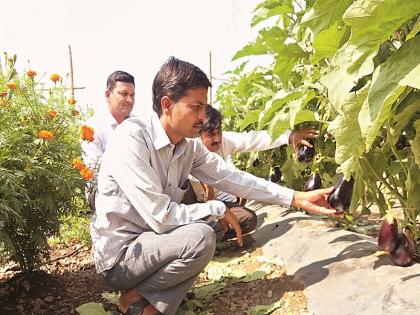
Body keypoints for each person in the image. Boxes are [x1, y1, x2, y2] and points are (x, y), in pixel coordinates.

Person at [90, 57, 337, 315]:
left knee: (213, 228)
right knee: (202, 236)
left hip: (155, 244)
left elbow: (231, 177)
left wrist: (295, 197)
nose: (202, 117)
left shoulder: (188, 146)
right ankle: (140, 298)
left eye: (204, 107)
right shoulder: (132, 138)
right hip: (122, 257)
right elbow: (161, 217)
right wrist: (217, 207)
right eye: (195, 107)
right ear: (167, 105)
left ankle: (142, 297)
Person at [183, 105, 317, 239]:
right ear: (197, 135)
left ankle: (204, 234)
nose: (217, 138)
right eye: (211, 134)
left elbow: (253, 139)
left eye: (219, 132)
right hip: (187, 207)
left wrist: (289, 136)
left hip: (212, 205)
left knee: (248, 219)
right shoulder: (188, 149)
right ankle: (195, 234)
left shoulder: (224, 142)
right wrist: (201, 179)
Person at [81, 70, 135, 210]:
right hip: (103, 192)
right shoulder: (92, 127)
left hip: (135, 190)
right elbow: (94, 168)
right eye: (124, 94)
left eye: (132, 95)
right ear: (107, 95)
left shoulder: (139, 126)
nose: (129, 100)